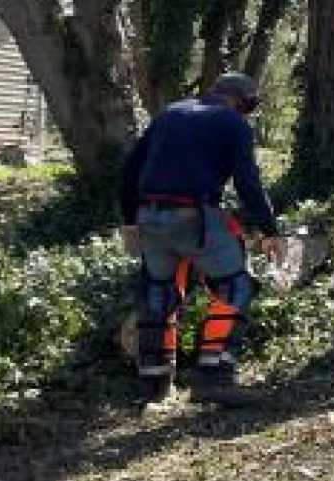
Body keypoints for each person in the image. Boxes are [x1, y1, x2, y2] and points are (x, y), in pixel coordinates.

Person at [119, 73, 284, 407]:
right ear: (242, 101)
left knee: (159, 291)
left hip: (148, 215)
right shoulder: (233, 124)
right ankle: (214, 377)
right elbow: (247, 182)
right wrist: (269, 229)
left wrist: (130, 221)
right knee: (235, 286)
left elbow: (129, 171)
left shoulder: (170, 113)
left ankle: (155, 383)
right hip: (193, 216)